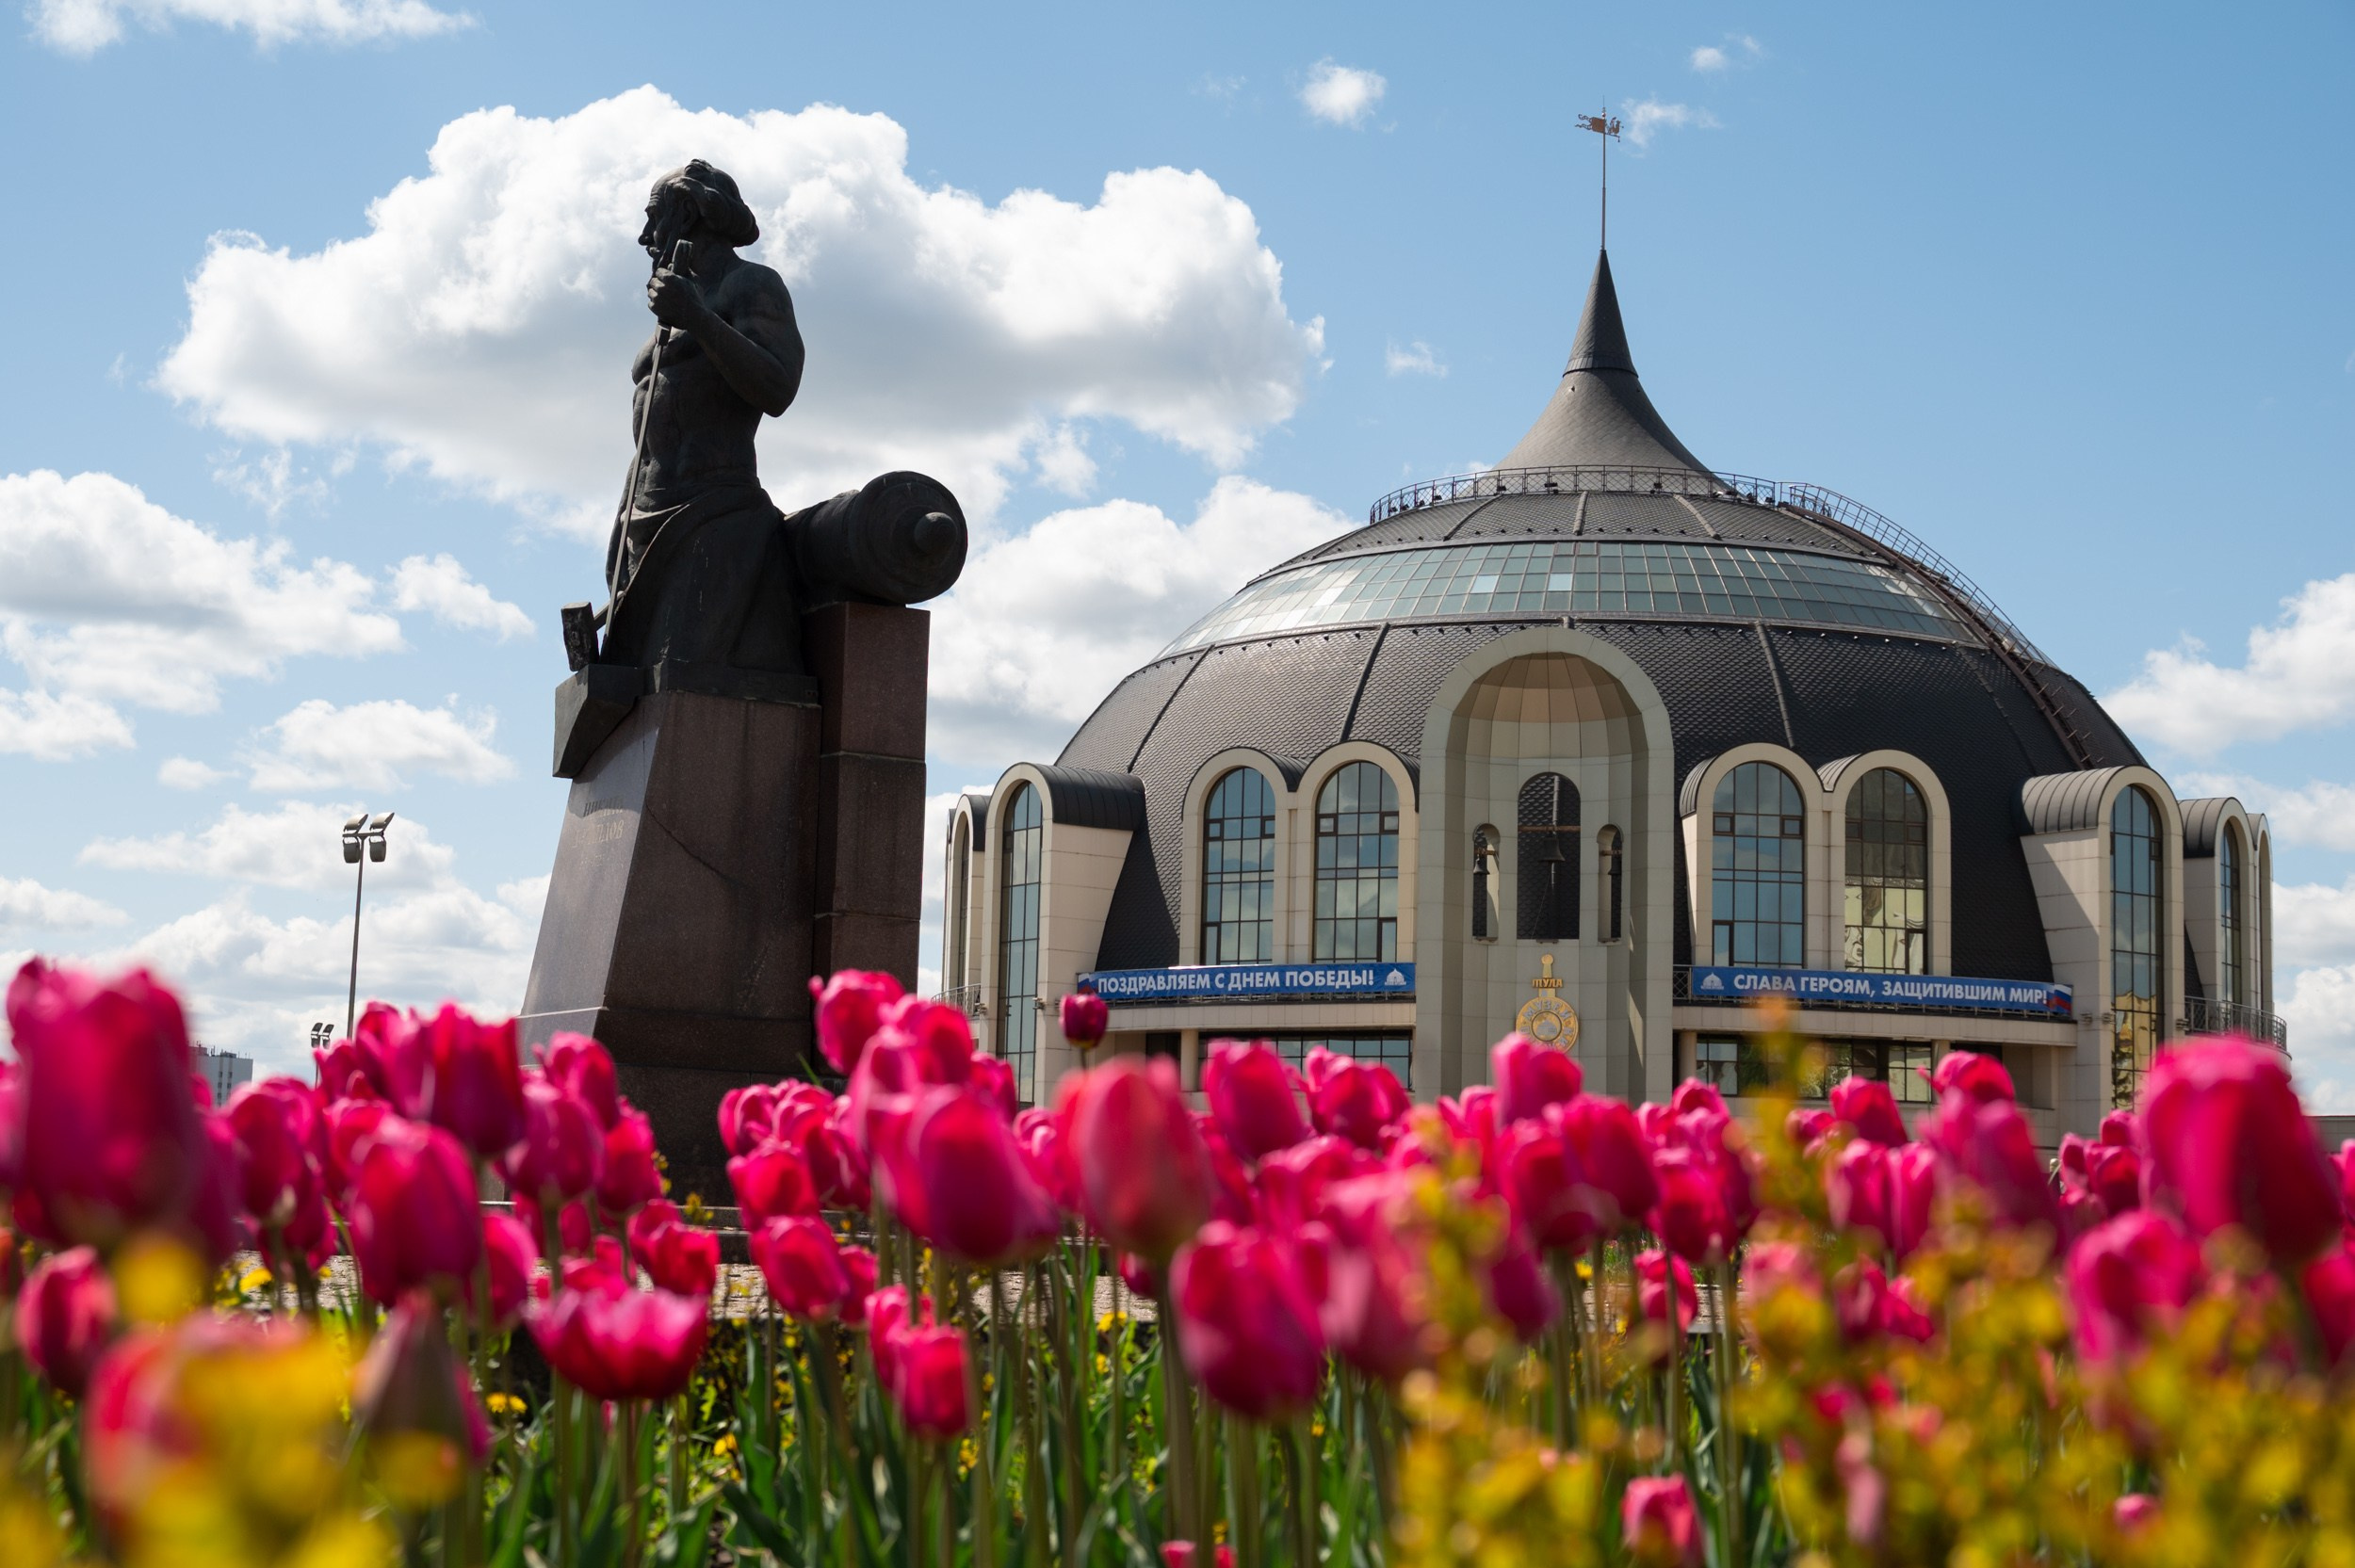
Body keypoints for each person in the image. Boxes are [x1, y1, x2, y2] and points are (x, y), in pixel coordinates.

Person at [597, 160, 808, 674]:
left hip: (712, 514)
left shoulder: (749, 285)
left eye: (655, 217)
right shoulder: (673, 309)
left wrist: (697, 317)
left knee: (684, 681)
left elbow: (778, 388)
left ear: (690, 212)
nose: (646, 236)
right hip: (641, 522)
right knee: (628, 692)